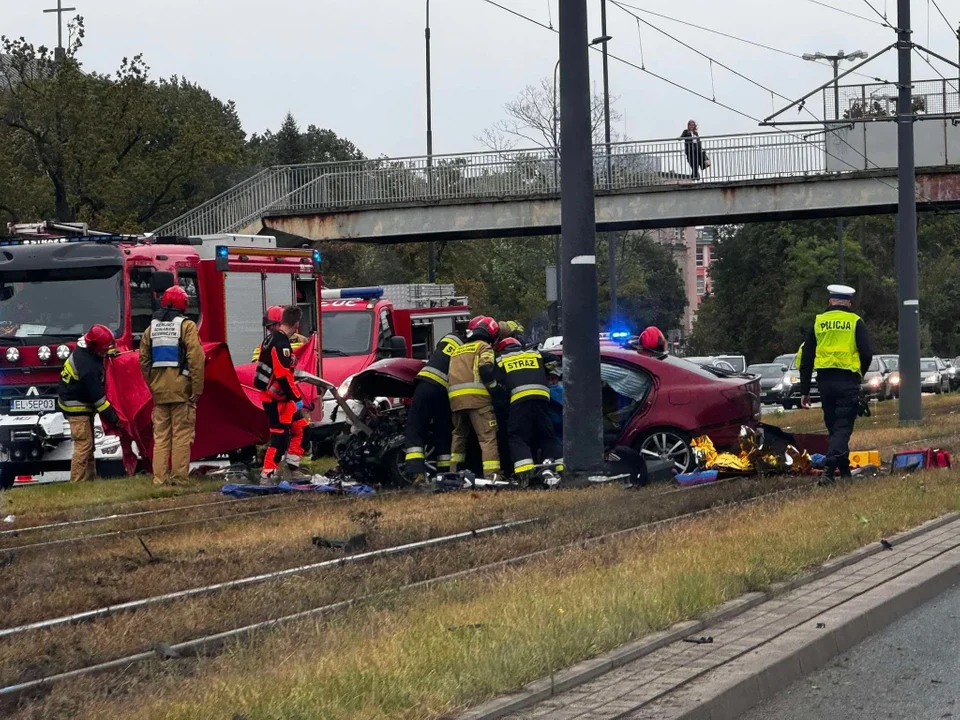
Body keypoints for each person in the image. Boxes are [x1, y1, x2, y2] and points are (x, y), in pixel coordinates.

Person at [799, 284, 873, 484]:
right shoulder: (855, 321)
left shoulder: (818, 322)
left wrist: (804, 390)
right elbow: (867, 353)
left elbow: (806, 359)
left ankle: (845, 472)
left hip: (824, 382)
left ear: (830, 301)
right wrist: (859, 374)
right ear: (849, 302)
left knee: (833, 427)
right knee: (842, 428)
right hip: (847, 381)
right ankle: (829, 472)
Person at [138, 285, 206, 486]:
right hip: (182, 391)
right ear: (182, 303)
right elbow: (196, 358)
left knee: (160, 438)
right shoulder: (187, 326)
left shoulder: (150, 329)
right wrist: (197, 389)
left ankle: (159, 479)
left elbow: (143, 360)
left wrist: (153, 384)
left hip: (159, 393)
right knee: (182, 436)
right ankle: (179, 479)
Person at [496, 337, 563, 487]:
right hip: (541, 397)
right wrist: (542, 370)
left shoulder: (501, 359)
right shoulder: (535, 353)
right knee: (547, 434)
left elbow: (498, 382)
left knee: (517, 435)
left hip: (519, 400)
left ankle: (526, 474)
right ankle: (559, 468)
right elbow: (553, 361)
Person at [57, 325, 120, 483]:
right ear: (94, 346)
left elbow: (97, 356)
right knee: (83, 445)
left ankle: (90, 480)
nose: (105, 351)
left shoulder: (86, 350)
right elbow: (99, 400)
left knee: (89, 445)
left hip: (78, 401)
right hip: (76, 406)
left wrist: (110, 353)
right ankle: (76, 483)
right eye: (104, 349)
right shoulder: (87, 367)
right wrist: (114, 418)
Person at [252, 305, 310, 475]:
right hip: (276, 400)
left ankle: (293, 467)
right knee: (279, 438)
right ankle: (267, 474)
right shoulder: (280, 343)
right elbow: (283, 375)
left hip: (281, 399)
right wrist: (296, 397)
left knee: (303, 429)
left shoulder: (272, 341)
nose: (270, 329)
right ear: (296, 324)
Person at [403, 331, 462, 486]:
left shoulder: (449, 338)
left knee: (415, 428)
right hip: (445, 393)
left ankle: (417, 474)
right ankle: (444, 474)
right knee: (443, 432)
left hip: (427, 386)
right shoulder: (469, 348)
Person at [448, 316, 501, 480]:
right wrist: (495, 389)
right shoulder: (484, 347)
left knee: (458, 438)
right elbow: (485, 370)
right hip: (478, 401)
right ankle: (492, 475)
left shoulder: (458, 350)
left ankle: (454, 475)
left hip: (456, 401)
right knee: (487, 437)